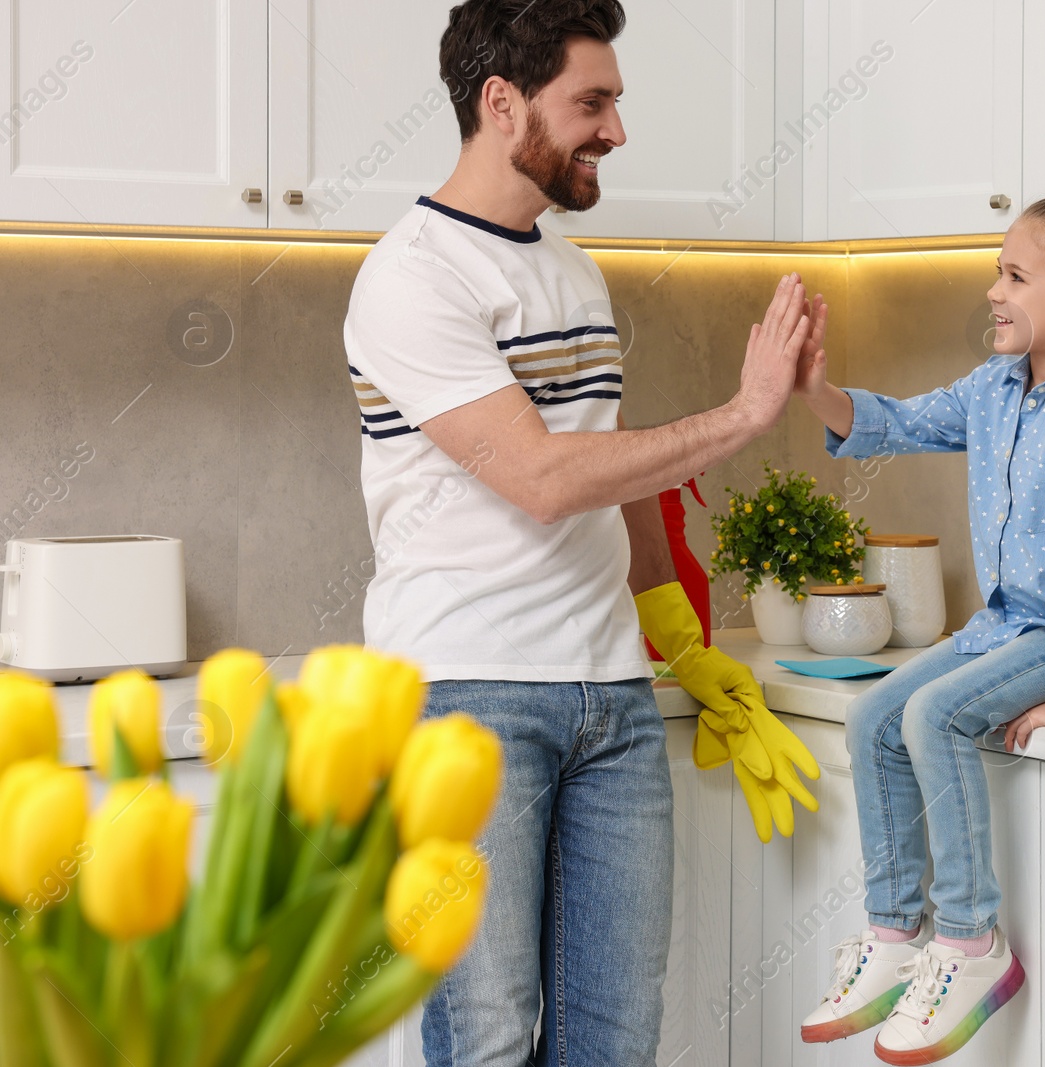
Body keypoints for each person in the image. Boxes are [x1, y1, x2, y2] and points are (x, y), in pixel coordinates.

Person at [342, 2, 826, 1064]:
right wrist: (743, 416)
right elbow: (545, 478)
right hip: (463, 699)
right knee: (484, 1035)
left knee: (614, 1038)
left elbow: (616, 470)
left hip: (608, 695)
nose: (615, 130)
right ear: (500, 103)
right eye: (591, 103)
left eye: (615, 102)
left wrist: (679, 638)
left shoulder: (571, 270)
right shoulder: (412, 276)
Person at [792, 169, 1045, 1064]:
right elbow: (896, 423)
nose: (992, 291)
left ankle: (971, 943)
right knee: (873, 715)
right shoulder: (996, 390)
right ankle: (895, 933)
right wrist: (815, 388)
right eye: (997, 271)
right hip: (1010, 633)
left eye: (1013, 276)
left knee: (934, 713)